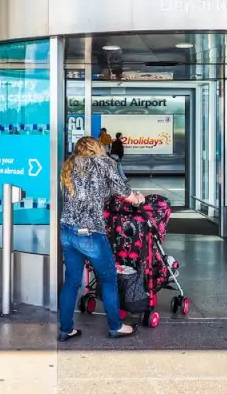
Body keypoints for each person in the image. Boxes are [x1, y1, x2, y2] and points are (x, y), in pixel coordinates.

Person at [58, 136, 144, 342]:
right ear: (96, 147)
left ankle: (65, 330)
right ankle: (116, 326)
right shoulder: (104, 163)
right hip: (90, 233)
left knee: (71, 281)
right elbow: (125, 192)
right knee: (108, 278)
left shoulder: (69, 165)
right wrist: (138, 198)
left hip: (67, 231)